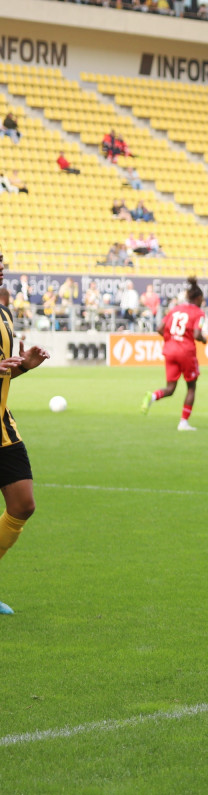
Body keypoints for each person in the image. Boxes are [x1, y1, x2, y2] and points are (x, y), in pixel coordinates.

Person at [0, 253, 50, 615]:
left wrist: (24, 367)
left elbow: (3, 372)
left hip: (1, 424)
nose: (1, 264)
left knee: (22, 504)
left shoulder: (4, 314)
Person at [141, 277, 206, 431]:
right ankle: (183, 423)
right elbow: (197, 334)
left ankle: (152, 396)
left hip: (170, 350)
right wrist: (204, 340)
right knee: (191, 387)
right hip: (186, 351)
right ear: (198, 298)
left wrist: (170, 340)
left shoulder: (175, 309)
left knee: (170, 388)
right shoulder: (199, 313)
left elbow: (159, 328)